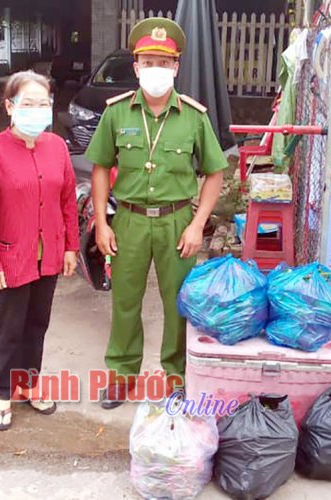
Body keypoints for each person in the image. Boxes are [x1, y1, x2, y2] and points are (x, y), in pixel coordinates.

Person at [85, 17, 229, 410]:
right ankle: (121, 375)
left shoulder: (194, 117)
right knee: (125, 302)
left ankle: (177, 378)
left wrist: (198, 225)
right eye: (148, 62)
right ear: (136, 67)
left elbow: (215, 172)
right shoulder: (116, 113)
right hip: (128, 221)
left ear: (176, 67)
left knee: (178, 303)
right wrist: (102, 222)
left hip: (177, 223)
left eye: (164, 63)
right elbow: (99, 167)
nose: (156, 70)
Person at [0, 70, 80, 431]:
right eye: (28, 103)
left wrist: (70, 247)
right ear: (10, 106)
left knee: (37, 324)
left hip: (48, 256)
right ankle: (3, 392)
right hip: (10, 257)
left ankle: (30, 383)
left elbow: (68, 200)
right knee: (9, 328)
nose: (37, 110)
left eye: (44, 103)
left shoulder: (56, 147)